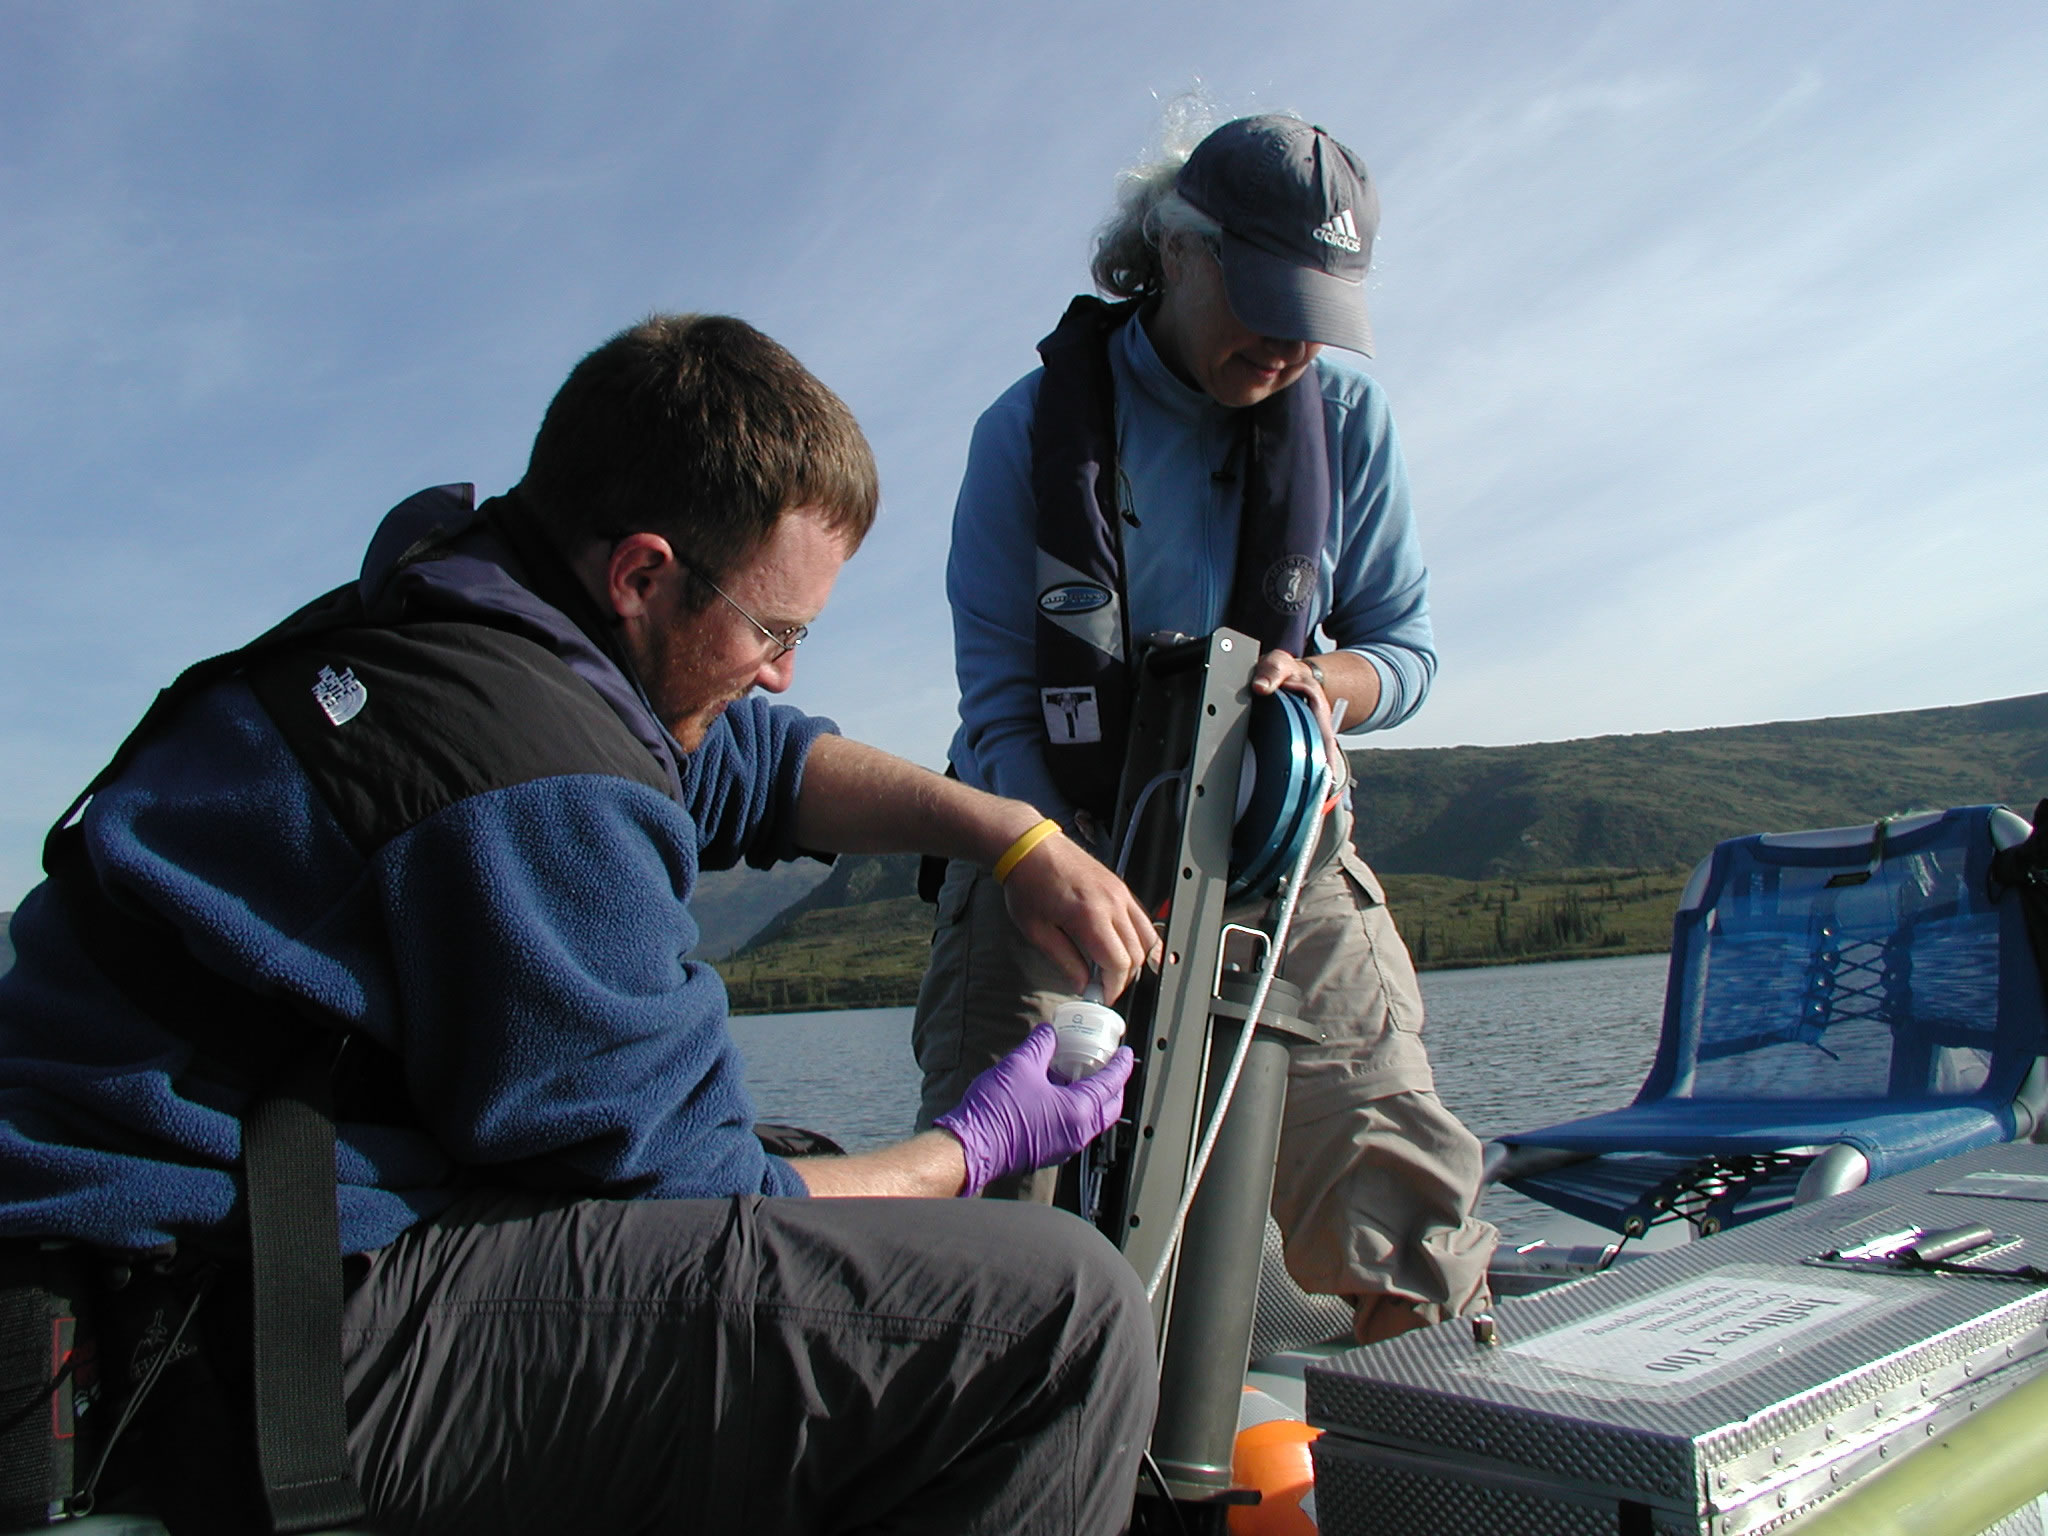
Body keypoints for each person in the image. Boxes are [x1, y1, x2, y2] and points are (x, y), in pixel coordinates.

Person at [0, 315, 1161, 1535]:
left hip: (161, 1266)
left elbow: (760, 767)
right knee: (1058, 1317)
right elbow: (718, 1204)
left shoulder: (465, 611)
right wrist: (968, 1150)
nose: (782, 673)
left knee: (823, 1172)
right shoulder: (537, 778)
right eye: (776, 631)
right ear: (643, 574)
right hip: (194, 1338)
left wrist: (1012, 836)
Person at [913, 114, 1498, 1344]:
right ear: (1174, 252)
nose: (1288, 345)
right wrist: (1049, 868)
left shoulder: (1352, 427)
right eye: (1266, 299)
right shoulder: (1021, 436)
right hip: (1047, 837)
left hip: (1281, 847)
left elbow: (1407, 651)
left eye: (1316, 317)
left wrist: (1325, 684)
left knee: (1404, 1205)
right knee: (992, 1211)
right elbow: (1002, 704)